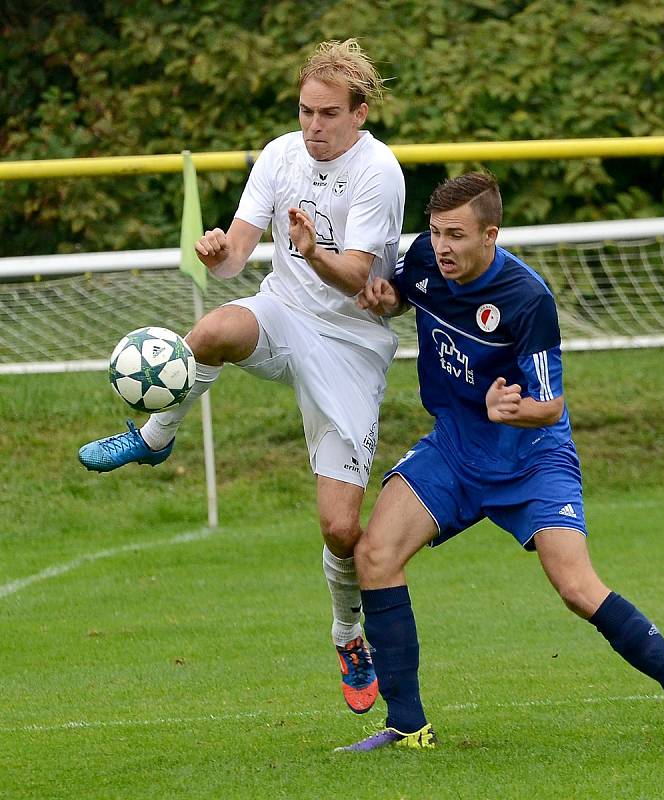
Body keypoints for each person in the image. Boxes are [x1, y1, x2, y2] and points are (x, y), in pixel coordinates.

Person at [336, 172, 664, 751]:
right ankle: (407, 727)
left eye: (456, 235)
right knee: (375, 554)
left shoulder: (527, 297)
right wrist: (383, 297)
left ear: (491, 234)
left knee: (577, 589)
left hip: (532, 460)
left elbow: (551, 405)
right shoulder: (421, 260)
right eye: (436, 231)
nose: (442, 246)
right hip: (456, 449)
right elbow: (396, 294)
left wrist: (508, 409)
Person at [78, 39, 406, 715]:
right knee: (212, 332)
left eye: (327, 115)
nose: (314, 126)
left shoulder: (379, 171)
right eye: (305, 111)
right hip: (283, 313)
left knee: (341, 529)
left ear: (358, 112)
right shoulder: (281, 153)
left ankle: (349, 635)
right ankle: (155, 434)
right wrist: (219, 250)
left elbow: (357, 277)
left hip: (350, 344)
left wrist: (315, 251)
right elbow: (235, 261)